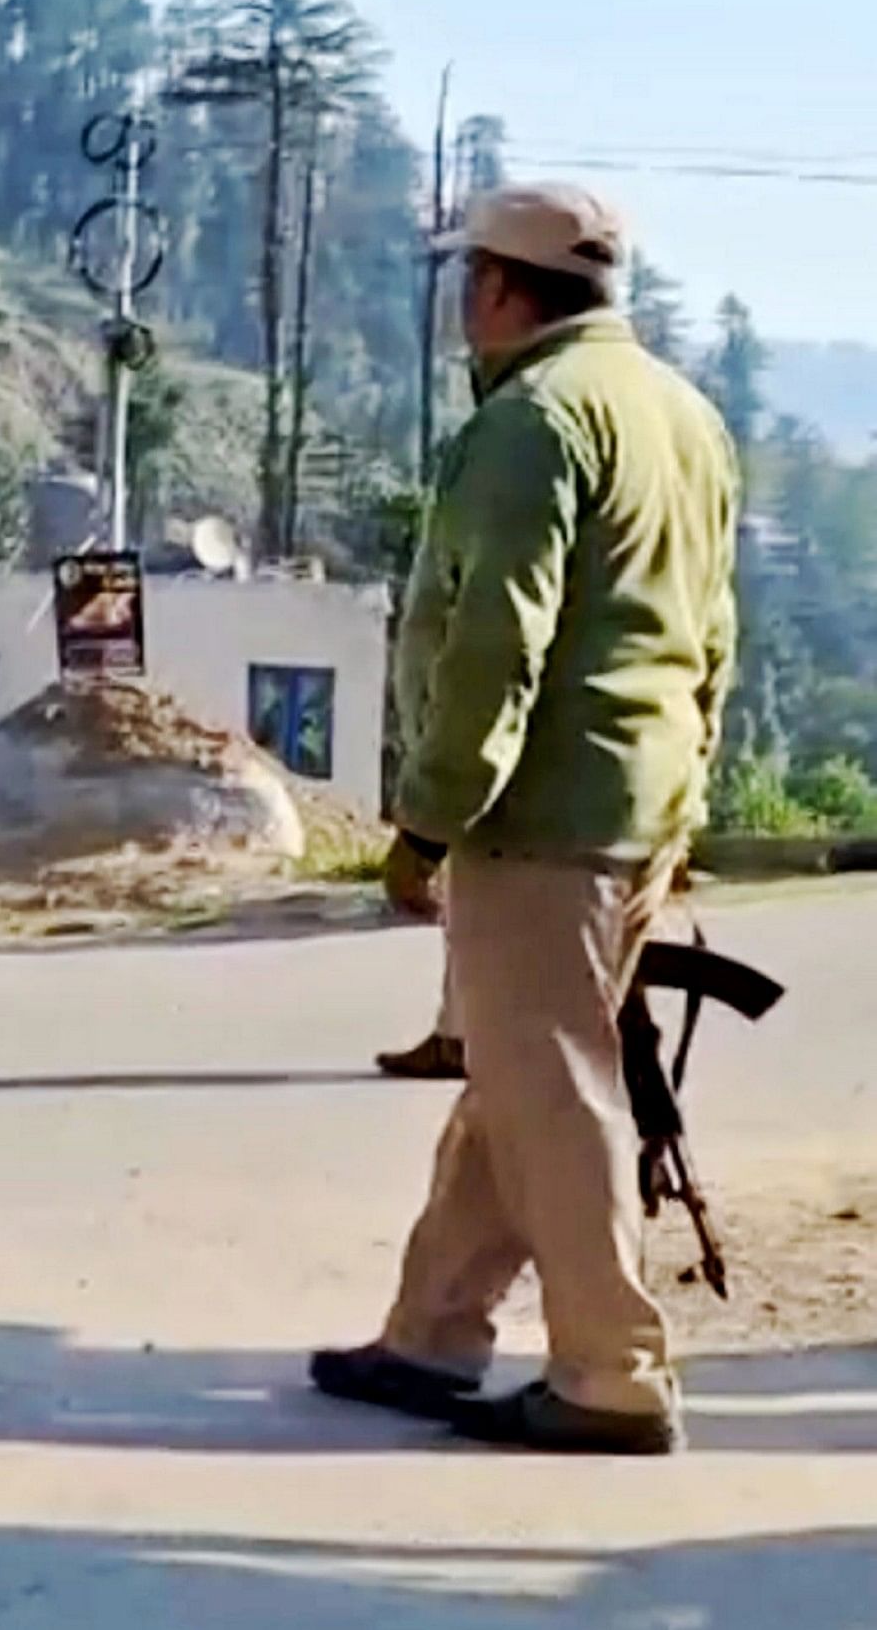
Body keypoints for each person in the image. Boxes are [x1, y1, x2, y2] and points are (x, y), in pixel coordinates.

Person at [310, 181, 740, 1457]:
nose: (462, 299)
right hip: (639, 800)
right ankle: (434, 1330)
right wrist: (688, 784)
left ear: (498, 289)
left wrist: (431, 821)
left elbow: (498, 639)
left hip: (540, 813)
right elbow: (711, 632)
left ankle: (613, 1372)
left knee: (551, 1091)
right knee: (522, 1071)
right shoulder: (683, 414)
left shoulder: (533, 422)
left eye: (468, 277)